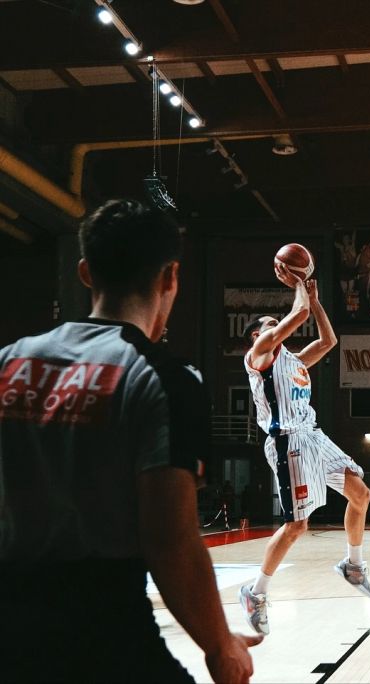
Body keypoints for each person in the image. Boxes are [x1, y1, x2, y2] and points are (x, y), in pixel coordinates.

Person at [0, 199, 261, 682]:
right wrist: (220, 646)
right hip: (102, 630)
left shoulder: (9, 362)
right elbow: (170, 538)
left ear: (85, 272)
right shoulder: (165, 379)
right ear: (170, 277)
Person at [239, 264, 370, 636]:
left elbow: (329, 340)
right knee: (297, 526)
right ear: (257, 335)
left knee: (361, 494)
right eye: (271, 324)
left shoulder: (294, 362)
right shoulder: (259, 356)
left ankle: (353, 564)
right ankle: (255, 592)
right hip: (287, 442)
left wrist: (314, 302)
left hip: (312, 436)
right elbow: (296, 315)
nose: (277, 326)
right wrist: (299, 284)